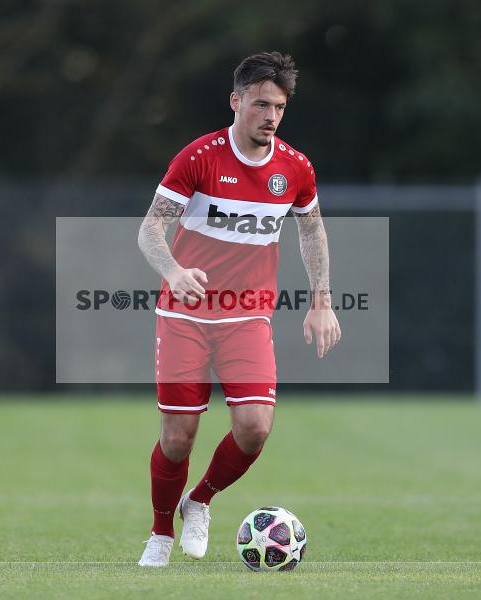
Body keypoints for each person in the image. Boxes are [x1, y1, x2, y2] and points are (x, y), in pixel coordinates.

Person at [136, 51, 340, 567]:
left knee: (254, 427)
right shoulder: (199, 157)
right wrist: (174, 272)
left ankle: (198, 501)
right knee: (178, 438)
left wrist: (322, 301)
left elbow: (311, 230)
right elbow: (151, 229)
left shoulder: (294, 168)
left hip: (248, 316)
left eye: (279, 107)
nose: (270, 117)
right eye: (261, 105)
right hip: (184, 315)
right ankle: (160, 533)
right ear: (236, 101)